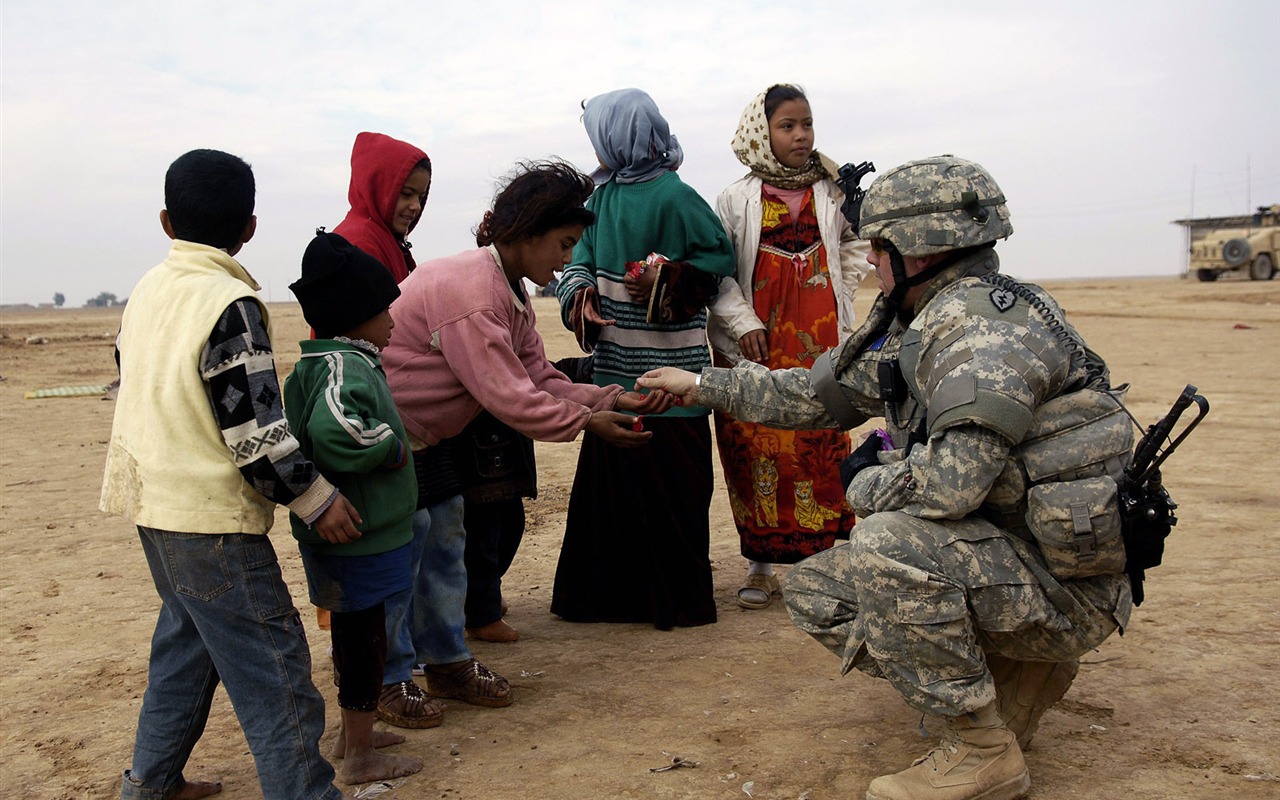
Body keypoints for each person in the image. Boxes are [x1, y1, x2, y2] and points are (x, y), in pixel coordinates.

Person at [639, 155, 1135, 800]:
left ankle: (981, 749)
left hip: (1063, 590)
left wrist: (864, 481)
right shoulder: (942, 317)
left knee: (887, 544)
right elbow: (820, 396)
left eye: (878, 247)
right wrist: (703, 384)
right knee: (820, 586)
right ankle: (1016, 680)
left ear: (918, 250)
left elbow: (950, 488)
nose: (869, 261)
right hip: (1024, 560)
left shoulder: (980, 336)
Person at [100, 149, 362, 800]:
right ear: (249, 226)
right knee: (275, 670)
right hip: (210, 524)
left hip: (153, 508)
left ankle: (150, 784)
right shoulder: (230, 303)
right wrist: (315, 496)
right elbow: (255, 433)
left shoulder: (148, 290)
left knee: (186, 649)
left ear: (166, 221)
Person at [382, 159, 670, 708]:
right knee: (403, 560)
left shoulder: (505, 288)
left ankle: (446, 665)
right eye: (563, 245)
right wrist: (589, 422)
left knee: (444, 546)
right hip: (391, 441)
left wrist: (612, 398)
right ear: (528, 232)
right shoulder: (473, 293)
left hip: (428, 441)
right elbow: (507, 395)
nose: (567, 260)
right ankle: (389, 680)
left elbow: (539, 377)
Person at [551, 87, 736, 630]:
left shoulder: (677, 196)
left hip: (675, 374)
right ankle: (609, 600)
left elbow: (717, 259)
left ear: (618, 136)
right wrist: (581, 295)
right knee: (617, 495)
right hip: (615, 373)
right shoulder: (597, 200)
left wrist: (668, 277)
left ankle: (673, 603)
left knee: (669, 492)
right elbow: (577, 262)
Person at [707, 83, 870, 610]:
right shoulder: (735, 198)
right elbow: (719, 272)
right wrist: (741, 319)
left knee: (819, 444)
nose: (800, 135)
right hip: (756, 339)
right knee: (755, 442)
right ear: (763, 132)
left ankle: (829, 565)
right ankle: (760, 565)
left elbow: (854, 245)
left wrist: (841, 294)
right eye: (787, 126)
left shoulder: (835, 191)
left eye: (807, 124)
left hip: (819, 337)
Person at [285, 231, 424, 786]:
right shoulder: (345, 366)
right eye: (384, 310)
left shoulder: (330, 361)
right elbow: (335, 430)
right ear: (354, 315)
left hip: (355, 534)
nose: (392, 322)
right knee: (364, 637)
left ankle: (352, 735)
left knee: (356, 634)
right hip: (359, 535)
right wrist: (387, 444)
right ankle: (362, 758)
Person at [334, 131, 432, 283]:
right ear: (377, 189)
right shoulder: (360, 244)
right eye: (406, 194)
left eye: (420, 197)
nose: (416, 206)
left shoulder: (388, 239)